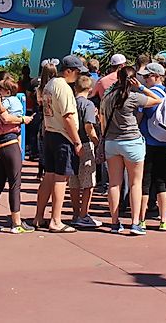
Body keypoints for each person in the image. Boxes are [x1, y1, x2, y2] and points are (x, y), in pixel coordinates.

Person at [100, 65, 162, 235]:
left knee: (114, 183)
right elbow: (157, 100)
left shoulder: (108, 97)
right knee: (135, 183)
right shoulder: (134, 97)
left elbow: (102, 118)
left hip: (112, 142)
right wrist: (141, 87)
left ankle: (114, 222)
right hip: (132, 141)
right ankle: (135, 223)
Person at [33, 55, 89, 233]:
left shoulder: (49, 84)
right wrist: (77, 141)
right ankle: (55, 220)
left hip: (50, 133)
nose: (79, 75)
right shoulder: (63, 87)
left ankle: (39, 216)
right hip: (62, 137)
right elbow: (68, 117)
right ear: (68, 71)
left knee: (49, 177)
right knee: (61, 178)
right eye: (77, 71)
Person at [0, 74, 34, 233]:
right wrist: (23, 120)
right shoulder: (3, 101)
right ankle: (16, 222)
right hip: (10, 144)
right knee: (15, 183)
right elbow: (6, 118)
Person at [138, 62, 166, 231]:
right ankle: (163, 219)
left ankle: (141, 219)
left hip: (148, 141)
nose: (145, 79)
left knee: (144, 182)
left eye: (147, 76)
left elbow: (141, 115)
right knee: (162, 181)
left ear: (156, 76)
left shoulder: (151, 95)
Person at [71, 74, 101, 228]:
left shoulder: (71, 103)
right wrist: (96, 141)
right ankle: (83, 213)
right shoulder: (88, 105)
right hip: (85, 143)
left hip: (72, 143)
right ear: (90, 90)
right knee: (88, 181)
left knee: (74, 181)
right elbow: (89, 125)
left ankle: (76, 213)